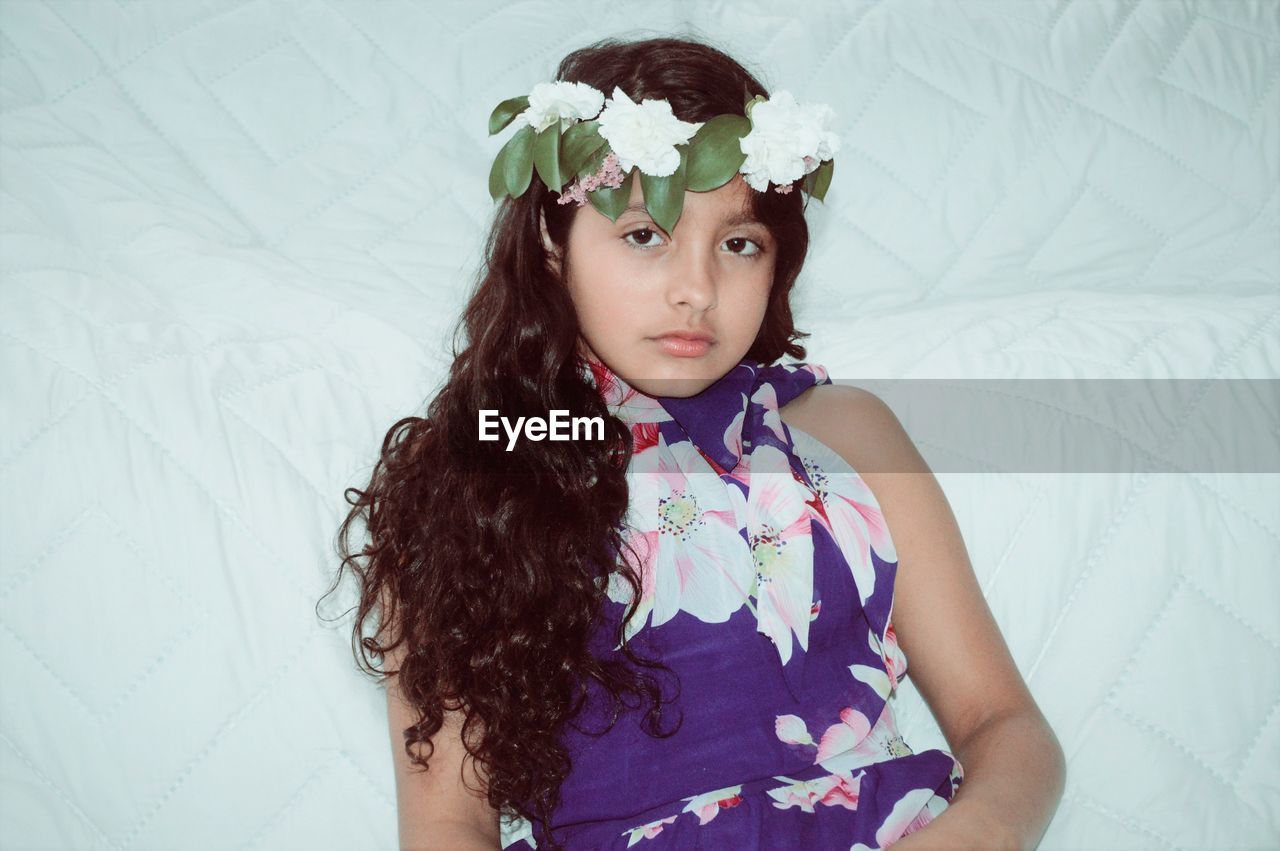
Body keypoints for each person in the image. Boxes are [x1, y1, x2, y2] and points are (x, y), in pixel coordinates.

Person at [322, 35, 1066, 851]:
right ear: (551, 239)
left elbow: (1005, 723)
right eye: (645, 235)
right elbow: (446, 825)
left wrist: (980, 831)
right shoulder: (479, 469)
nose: (697, 290)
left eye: (739, 244)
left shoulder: (847, 432)